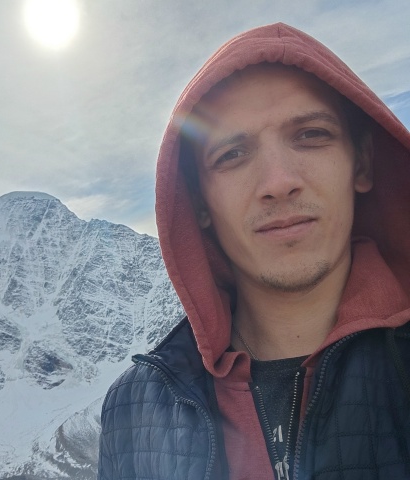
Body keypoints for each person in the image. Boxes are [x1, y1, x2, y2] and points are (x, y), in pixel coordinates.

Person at [98, 23, 410, 480]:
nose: (278, 182)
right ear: (199, 203)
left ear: (361, 163)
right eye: (232, 155)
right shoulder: (133, 410)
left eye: (311, 134)